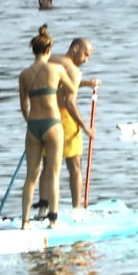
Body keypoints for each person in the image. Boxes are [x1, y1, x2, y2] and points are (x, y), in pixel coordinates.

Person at [18, 27, 67, 230]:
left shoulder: (24, 75)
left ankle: (25, 222)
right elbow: (72, 88)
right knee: (53, 173)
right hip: (52, 124)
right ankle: (53, 221)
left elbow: (24, 106)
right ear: (49, 50)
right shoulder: (56, 69)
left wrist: (30, 121)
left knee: (31, 176)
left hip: (33, 126)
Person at [47, 38, 98, 211]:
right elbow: (69, 100)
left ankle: (44, 209)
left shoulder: (52, 59)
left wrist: (86, 84)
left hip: (46, 116)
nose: (86, 60)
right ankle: (77, 209)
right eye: (85, 54)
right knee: (75, 167)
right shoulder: (75, 71)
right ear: (76, 48)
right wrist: (85, 127)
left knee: (49, 167)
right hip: (65, 120)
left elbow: (61, 85)